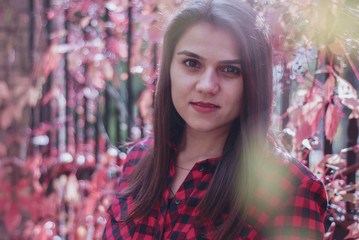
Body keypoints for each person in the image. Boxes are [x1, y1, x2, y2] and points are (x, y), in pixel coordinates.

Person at [103, 0, 328, 239]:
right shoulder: (139, 159)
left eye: (230, 70)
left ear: (254, 81)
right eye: (192, 63)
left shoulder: (291, 189)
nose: (207, 86)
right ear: (169, 69)